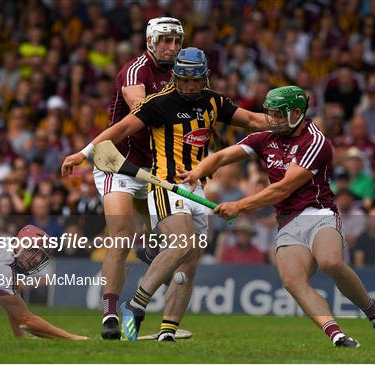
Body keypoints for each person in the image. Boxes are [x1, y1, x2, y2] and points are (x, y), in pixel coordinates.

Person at [61, 47, 267, 341]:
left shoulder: (214, 101)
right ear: (175, 77)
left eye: (196, 80)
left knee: (189, 264)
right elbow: (119, 130)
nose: (190, 86)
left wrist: (288, 124)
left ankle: (167, 331)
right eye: (184, 80)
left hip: (197, 188)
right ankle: (135, 304)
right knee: (181, 244)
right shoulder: (158, 104)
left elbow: (254, 121)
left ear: (205, 77)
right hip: (165, 185)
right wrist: (83, 153)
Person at [180, 86, 375, 349]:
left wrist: (239, 205)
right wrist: (197, 172)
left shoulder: (316, 142)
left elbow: (283, 188)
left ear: (297, 113)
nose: (271, 120)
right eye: (270, 114)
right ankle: (337, 336)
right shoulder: (266, 138)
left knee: (330, 261)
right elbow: (224, 155)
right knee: (292, 281)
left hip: (318, 213)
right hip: (287, 220)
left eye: (278, 115)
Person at [91, 17, 184, 340]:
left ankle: (148, 252)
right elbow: (141, 109)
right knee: (121, 234)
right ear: (150, 42)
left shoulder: (184, 73)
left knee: (168, 239)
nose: (171, 48)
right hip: (118, 164)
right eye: (165, 41)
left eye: (176, 42)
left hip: (155, 171)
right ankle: (110, 314)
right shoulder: (135, 72)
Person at [0, 225, 87, 340]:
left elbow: (14, 310)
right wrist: (71, 337)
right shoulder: (3, 265)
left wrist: (20, 341)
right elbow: (25, 320)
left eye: (41, 256)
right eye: (35, 252)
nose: (37, 260)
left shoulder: (5, 252)